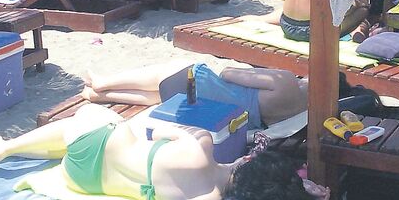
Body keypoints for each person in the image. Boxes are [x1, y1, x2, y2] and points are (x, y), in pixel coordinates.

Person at [0, 103, 323, 200]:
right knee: (86, 140)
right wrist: (298, 190)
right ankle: (7, 148)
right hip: (82, 181)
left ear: (248, 162)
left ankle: (3, 149)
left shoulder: (199, 147)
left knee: (99, 117)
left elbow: (154, 128)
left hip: (92, 145)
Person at [82, 60, 308, 128]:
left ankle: (103, 83)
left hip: (199, 90)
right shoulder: (300, 114)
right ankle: (102, 96)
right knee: (162, 94)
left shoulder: (286, 81)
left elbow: (228, 73)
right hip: (219, 115)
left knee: (171, 70)